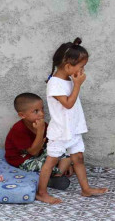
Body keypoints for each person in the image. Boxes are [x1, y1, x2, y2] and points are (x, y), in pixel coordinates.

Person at [35, 37, 108, 204]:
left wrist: (75, 83)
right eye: (81, 67)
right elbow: (67, 104)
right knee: (51, 161)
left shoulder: (68, 79)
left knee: (78, 159)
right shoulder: (55, 83)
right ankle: (41, 192)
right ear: (68, 66)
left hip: (73, 129)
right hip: (61, 130)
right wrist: (78, 85)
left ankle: (86, 189)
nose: (83, 70)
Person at [4, 93, 72, 190]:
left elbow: (52, 144)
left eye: (42, 109)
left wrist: (67, 161)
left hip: (39, 154)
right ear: (22, 115)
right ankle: (50, 178)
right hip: (23, 160)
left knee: (66, 152)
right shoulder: (18, 129)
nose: (42, 114)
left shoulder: (44, 124)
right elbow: (33, 152)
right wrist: (40, 131)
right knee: (48, 165)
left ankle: (57, 176)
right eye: (36, 111)